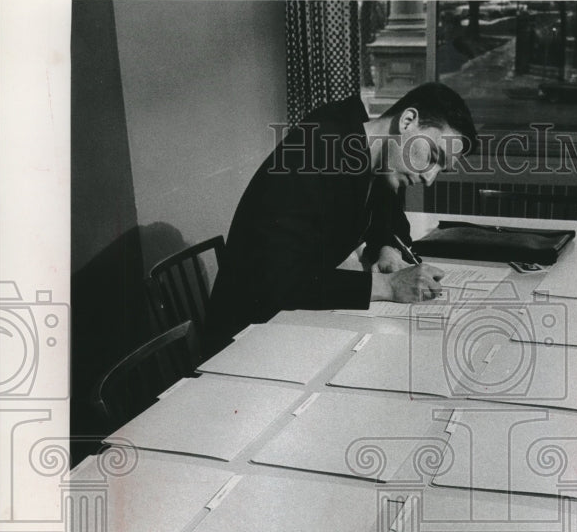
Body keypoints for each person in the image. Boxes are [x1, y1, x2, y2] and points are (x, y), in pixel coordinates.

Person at [204, 82, 477, 355]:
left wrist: (387, 249)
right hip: (242, 342)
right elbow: (278, 280)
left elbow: (387, 214)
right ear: (408, 121)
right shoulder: (317, 151)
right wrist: (388, 286)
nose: (430, 178)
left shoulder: (371, 150)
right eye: (432, 157)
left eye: (442, 169)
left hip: (291, 328)